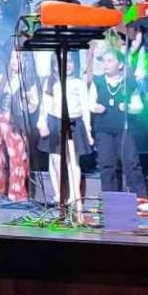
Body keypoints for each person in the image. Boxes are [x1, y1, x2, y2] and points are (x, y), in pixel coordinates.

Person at [87, 45, 148, 210]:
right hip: (104, 130)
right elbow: (90, 102)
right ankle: (112, 204)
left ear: (120, 64)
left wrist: (129, 107)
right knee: (107, 166)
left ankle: (141, 202)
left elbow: (139, 106)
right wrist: (94, 107)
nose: (106, 64)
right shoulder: (98, 82)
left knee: (131, 164)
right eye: (104, 61)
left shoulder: (129, 83)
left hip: (124, 130)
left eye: (110, 61)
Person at [39, 63, 92, 215]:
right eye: (63, 62)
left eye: (69, 61)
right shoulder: (51, 82)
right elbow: (45, 104)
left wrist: (88, 131)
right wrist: (42, 122)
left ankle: (75, 197)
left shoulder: (78, 83)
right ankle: (59, 195)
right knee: (55, 159)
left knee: (73, 161)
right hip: (55, 121)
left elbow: (85, 107)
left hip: (74, 121)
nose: (67, 65)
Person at [0, 49, 34, 202]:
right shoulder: (4, 77)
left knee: (17, 158)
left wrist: (28, 101)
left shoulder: (29, 81)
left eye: (17, 57)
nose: (14, 61)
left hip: (14, 122)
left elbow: (33, 106)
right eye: (12, 57)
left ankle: (17, 194)